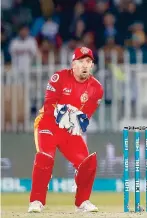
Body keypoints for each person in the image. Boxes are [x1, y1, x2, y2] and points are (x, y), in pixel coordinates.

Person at [28, 47, 104, 213]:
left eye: (88, 62)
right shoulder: (60, 77)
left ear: (92, 65)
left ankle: (82, 202)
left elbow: (85, 117)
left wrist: (78, 122)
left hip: (68, 130)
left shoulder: (96, 89)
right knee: (45, 158)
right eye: (81, 61)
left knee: (87, 163)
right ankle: (36, 201)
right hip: (47, 124)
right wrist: (66, 113)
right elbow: (49, 106)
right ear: (73, 64)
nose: (85, 65)